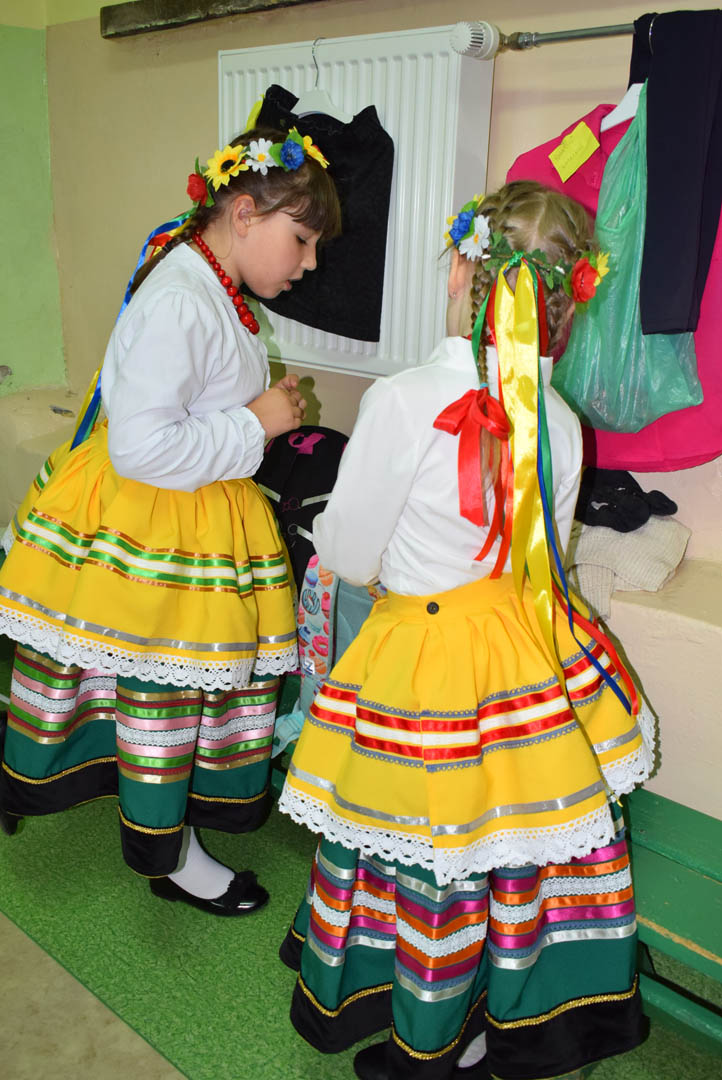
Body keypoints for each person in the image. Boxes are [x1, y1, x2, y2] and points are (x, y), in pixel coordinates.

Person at [277, 180, 655, 1078]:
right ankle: (501, 1017)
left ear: (460, 270)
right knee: (511, 857)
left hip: (426, 660)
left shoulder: (404, 399)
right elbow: (545, 555)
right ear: (565, 303)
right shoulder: (561, 421)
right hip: (528, 652)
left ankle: (427, 1039)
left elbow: (350, 551)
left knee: (430, 858)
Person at [0, 126, 341, 915]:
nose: (308, 263)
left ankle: (160, 831)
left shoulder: (208, 281)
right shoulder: (184, 297)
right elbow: (144, 446)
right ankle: (169, 853)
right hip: (159, 520)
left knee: (151, 689)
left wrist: (256, 413)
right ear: (245, 214)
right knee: (163, 693)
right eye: (301, 239)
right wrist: (256, 421)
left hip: (187, 512)